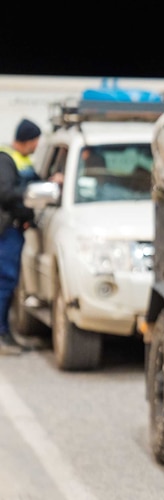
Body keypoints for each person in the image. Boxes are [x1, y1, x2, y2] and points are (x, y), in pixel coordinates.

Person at [0, 118, 61, 355]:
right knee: (4, 284)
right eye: (36, 140)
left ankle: (6, 333)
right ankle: (2, 334)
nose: (37, 145)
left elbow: (34, 181)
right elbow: (5, 193)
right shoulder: (5, 159)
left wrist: (48, 183)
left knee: (9, 283)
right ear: (29, 139)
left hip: (17, 231)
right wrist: (32, 191)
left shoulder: (23, 159)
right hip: (7, 232)